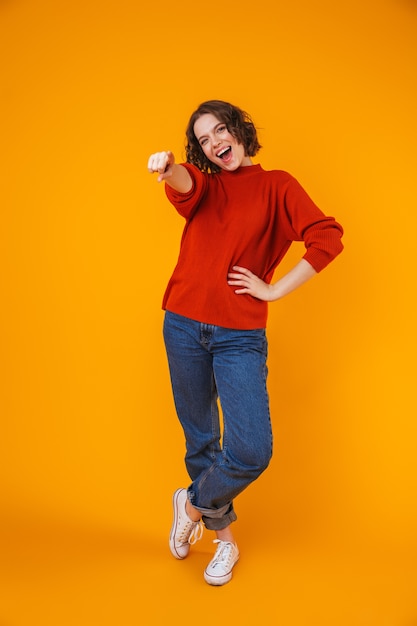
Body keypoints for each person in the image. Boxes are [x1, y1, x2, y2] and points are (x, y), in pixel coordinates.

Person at [147, 99, 344, 586]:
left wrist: (274, 289)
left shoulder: (278, 185)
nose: (216, 143)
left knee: (251, 449)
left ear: (239, 130)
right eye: (205, 139)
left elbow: (328, 236)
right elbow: (184, 183)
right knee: (201, 440)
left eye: (221, 131)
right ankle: (226, 543)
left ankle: (189, 507)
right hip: (183, 324)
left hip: (240, 336)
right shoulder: (204, 182)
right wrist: (169, 167)